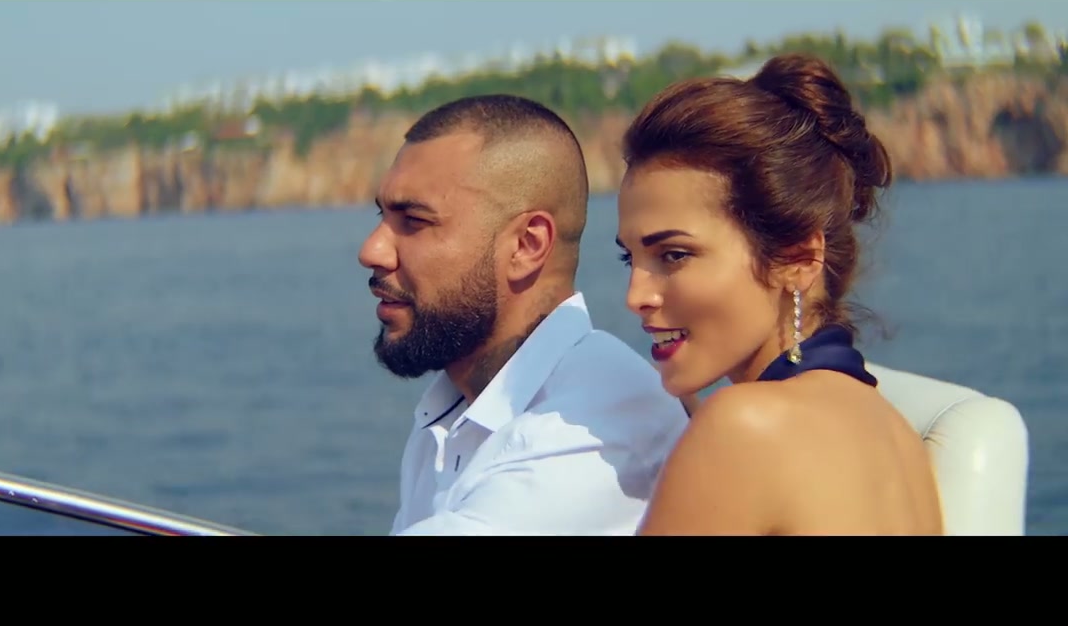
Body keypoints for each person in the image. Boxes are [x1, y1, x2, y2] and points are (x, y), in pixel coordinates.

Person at [614, 53, 944, 535]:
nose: (636, 296)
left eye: (674, 255)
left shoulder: (742, 428)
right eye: (630, 259)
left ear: (798, 260)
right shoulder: (898, 436)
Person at [359, 94, 688, 536]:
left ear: (527, 245)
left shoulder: (594, 429)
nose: (372, 250)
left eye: (414, 221)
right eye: (382, 216)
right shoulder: (454, 411)